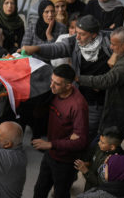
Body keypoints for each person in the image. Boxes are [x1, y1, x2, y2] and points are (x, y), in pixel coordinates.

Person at [20, 15, 112, 142]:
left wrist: (117, 56)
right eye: (76, 33)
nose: (77, 37)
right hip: (77, 96)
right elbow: (57, 48)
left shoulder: (110, 43)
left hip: (96, 103)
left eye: (82, 34)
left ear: (94, 35)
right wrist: (37, 48)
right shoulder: (75, 42)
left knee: (87, 134)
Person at [32, 64, 89, 198]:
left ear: (68, 86)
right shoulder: (54, 92)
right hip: (50, 154)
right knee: (39, 190)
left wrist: (51, 144)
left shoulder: (78, 105)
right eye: (51, 81)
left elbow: (81, 141)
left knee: (60, 194)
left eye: (56, 84)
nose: (51, 86)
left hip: (65, 161)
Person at [77, 27, 124, 135]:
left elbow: (106, 80)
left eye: (114, 45)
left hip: (119, 111)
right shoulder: (122, 55)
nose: (110, 47)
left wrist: (78, 78)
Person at [74, 126, 124, 191]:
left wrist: (86, 171)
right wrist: (88, 164)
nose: (98, 143)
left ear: (112, 147)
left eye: (102, 142)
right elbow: (94, 160)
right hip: (89, 186)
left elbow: (101, 184)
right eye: (99, 140)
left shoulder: (114, 163)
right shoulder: (101, 148)